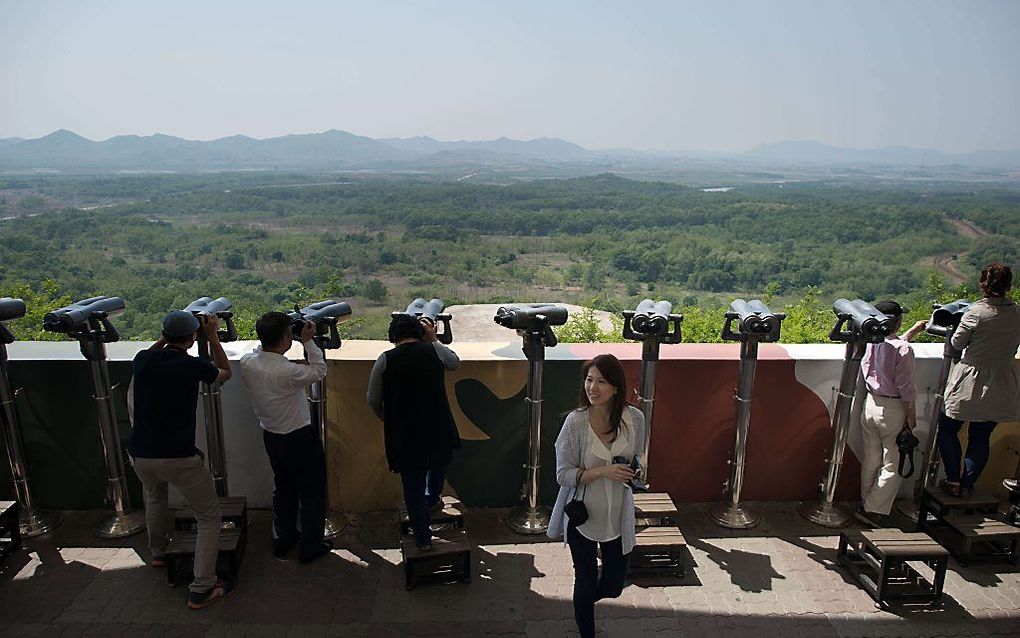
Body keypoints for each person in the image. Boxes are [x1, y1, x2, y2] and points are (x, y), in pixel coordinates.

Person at [130, 310, 234, 609]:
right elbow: (224, 373)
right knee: (209, 517)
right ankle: (202, 586)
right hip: (178, 456)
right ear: (192, 339)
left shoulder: (143, 360)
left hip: (141, 453)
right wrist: (212, 337)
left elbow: (152, 351)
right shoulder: (192, 365)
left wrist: (170, 334)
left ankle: (159, 553)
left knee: (154, 498)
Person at [548, 354, 645, 638]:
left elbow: (636, 457)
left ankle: (583, 602)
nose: (593, 387)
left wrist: (634, 472)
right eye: (589, 380)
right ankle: (586, 627)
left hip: (618, 515)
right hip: (584, 515)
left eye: (601, 381)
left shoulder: (634, 418)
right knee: (585, 578)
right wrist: (603, 471)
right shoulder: (575, 424)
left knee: (614, 584)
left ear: (616, 387)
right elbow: (563, 475)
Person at [239, 312, 331, 564]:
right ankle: (310, 546)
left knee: (284, 489)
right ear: (286, 338)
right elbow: (319, 371)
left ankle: (283, 539)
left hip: (272, 436)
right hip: (299, 438)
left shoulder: (247, 362)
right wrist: (309, 341)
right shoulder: (288, 372)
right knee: (312, 492)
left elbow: (262, 350)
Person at [367, 313, 460, 550]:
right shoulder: (434, 351)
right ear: (419, 334)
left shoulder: (385, 359)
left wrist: (387, 420)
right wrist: (433, 339)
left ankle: (422, 538)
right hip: (438, 428)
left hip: (405, 435)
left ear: (393, 337)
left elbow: (373, 399)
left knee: (412, 486)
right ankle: (432, 500)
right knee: (438, 466)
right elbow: (454, 363)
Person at [938, 263, 1020, 497]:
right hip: (1003, 381)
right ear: (1008, 285)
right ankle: (967, 485)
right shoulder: (1017, 313)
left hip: (971, 379)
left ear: (983, 284)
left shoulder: (976, 313)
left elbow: (957, 344)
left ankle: (953, 479)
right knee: (981, 437)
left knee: (947, 428)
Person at [855, 301, 926, 527]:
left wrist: (912, 332)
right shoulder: (904, 351)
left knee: (871, 459)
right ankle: (874, 510)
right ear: (898, 321)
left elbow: (892, 347)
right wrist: (910, 418)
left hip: (871, 404)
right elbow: (906, 388)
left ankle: (866, 502)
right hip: (894, 409)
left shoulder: (871, 342)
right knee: (893, 463)